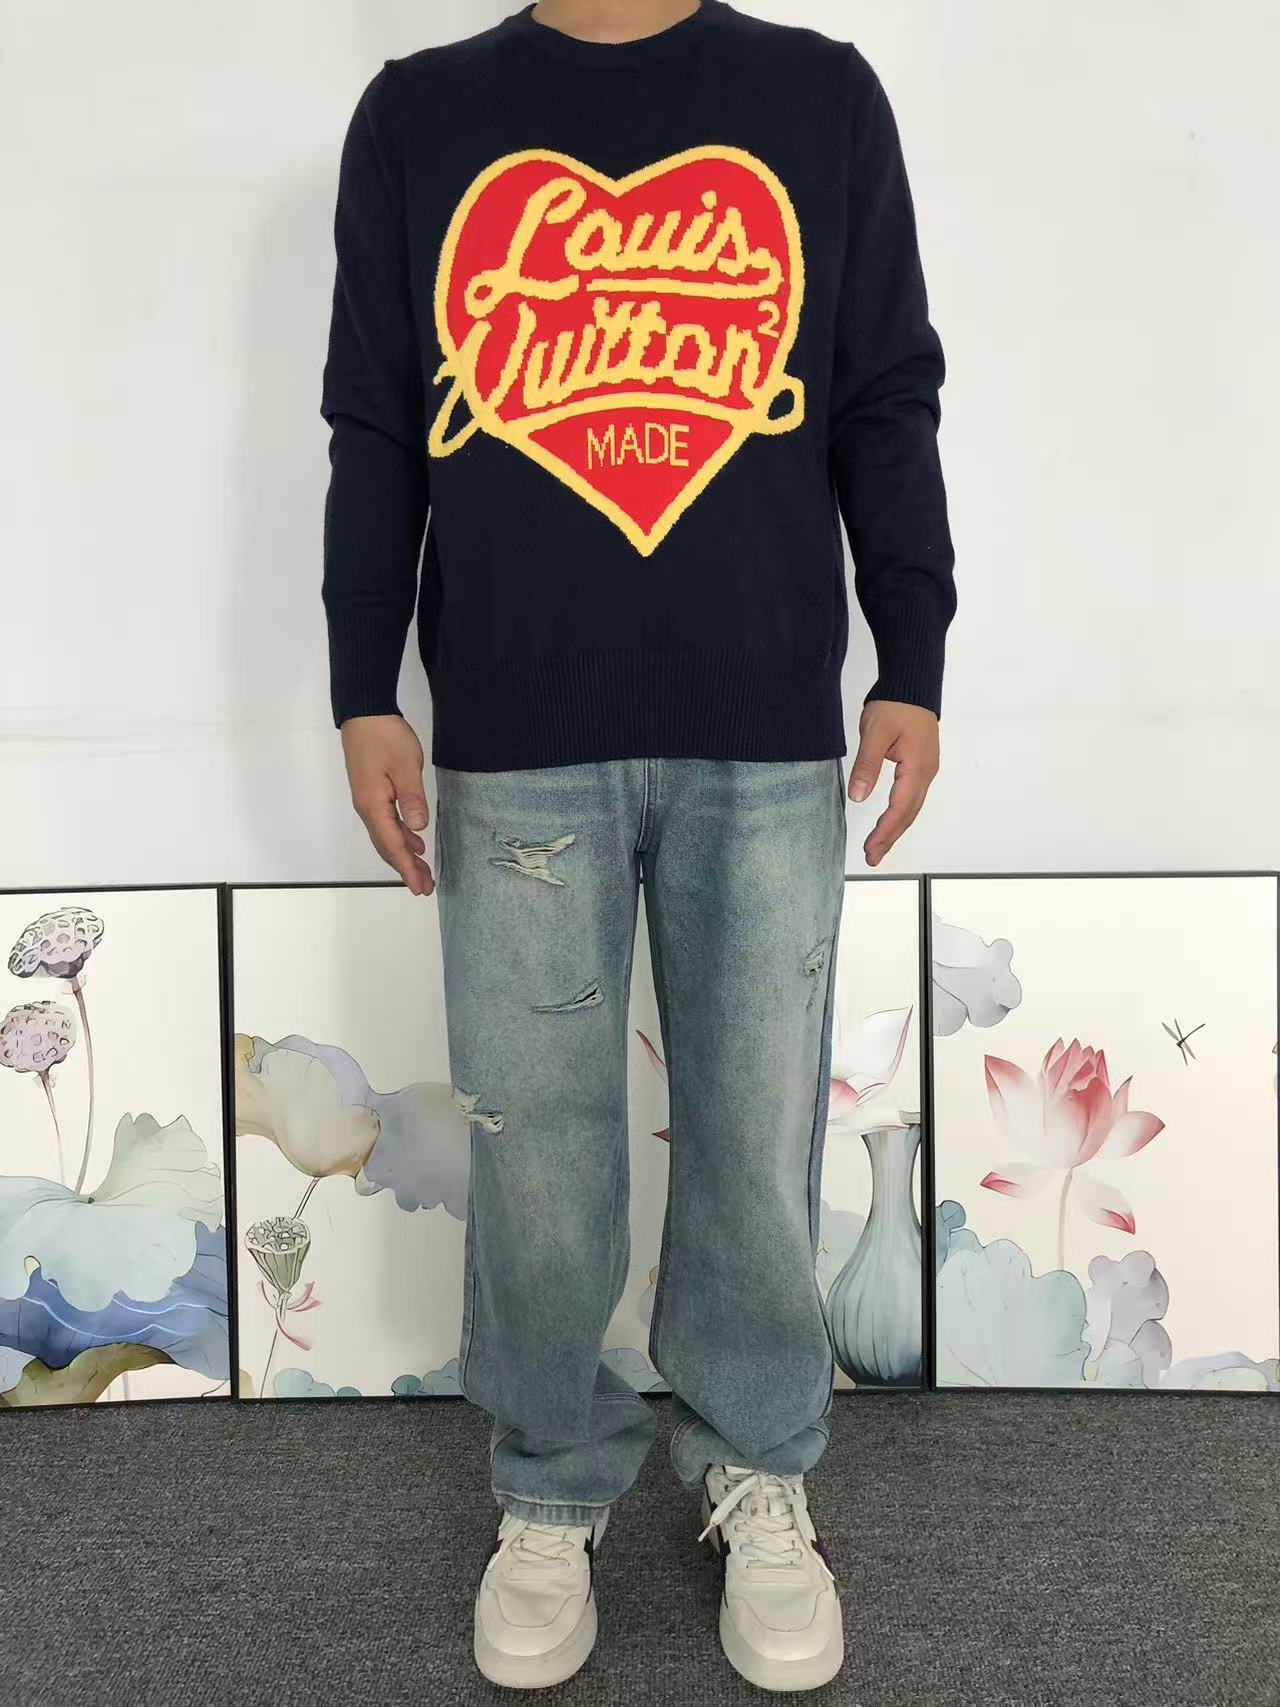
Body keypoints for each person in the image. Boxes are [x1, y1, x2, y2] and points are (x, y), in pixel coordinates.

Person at [319, 0, 955, 1689]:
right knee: (538, 1155)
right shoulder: (419, 115)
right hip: (516, 731)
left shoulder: (818, 99)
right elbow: (377, 418)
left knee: (753, 1137)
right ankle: (548, 1482)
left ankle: (760, 1465)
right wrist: (362, 684)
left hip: (767, 729)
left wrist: (913, 654)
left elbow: (882, 395)